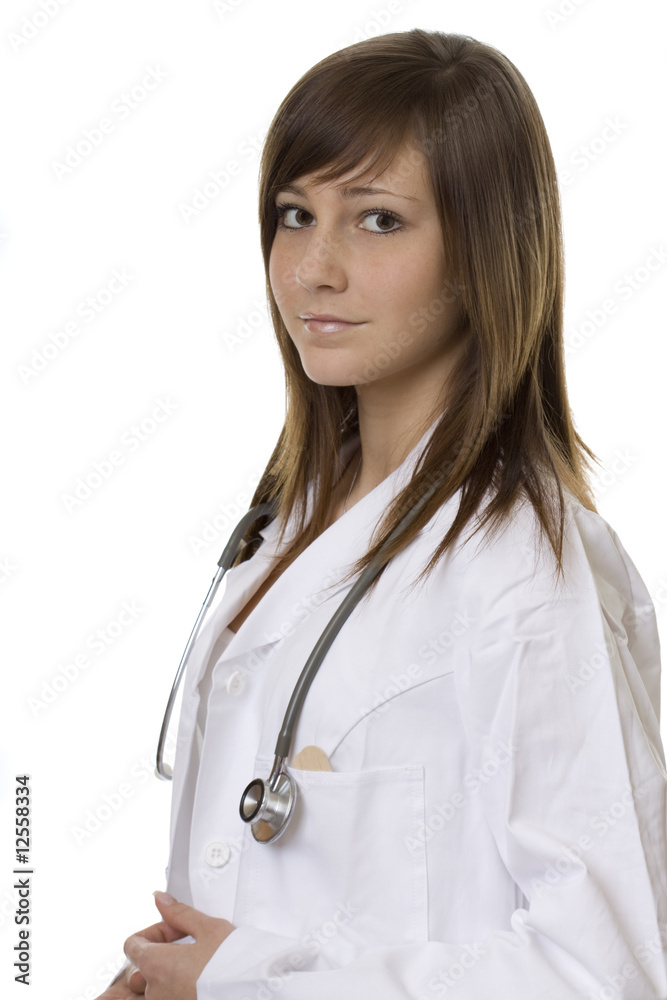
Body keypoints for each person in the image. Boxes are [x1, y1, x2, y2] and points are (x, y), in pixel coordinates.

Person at [97, 28, 667, 1000]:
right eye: (294, 214)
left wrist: (245, 984)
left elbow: (602, 972)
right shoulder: (289, 526)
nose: (311, 269)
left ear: (485, 247)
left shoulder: (529, 571)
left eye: (377, 220)